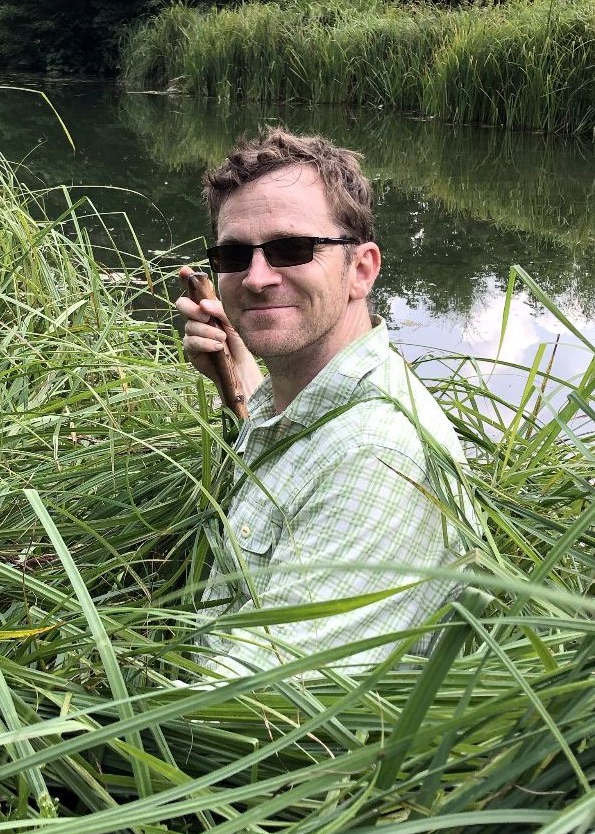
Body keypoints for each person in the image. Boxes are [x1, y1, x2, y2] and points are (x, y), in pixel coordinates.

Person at [176, 127, 474, 678]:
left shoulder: (380, 460)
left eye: (292, 249)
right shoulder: (311, 393)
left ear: (361, 269)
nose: (258, 277)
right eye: (235, 254)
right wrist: (237, 374)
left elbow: (246, 709)